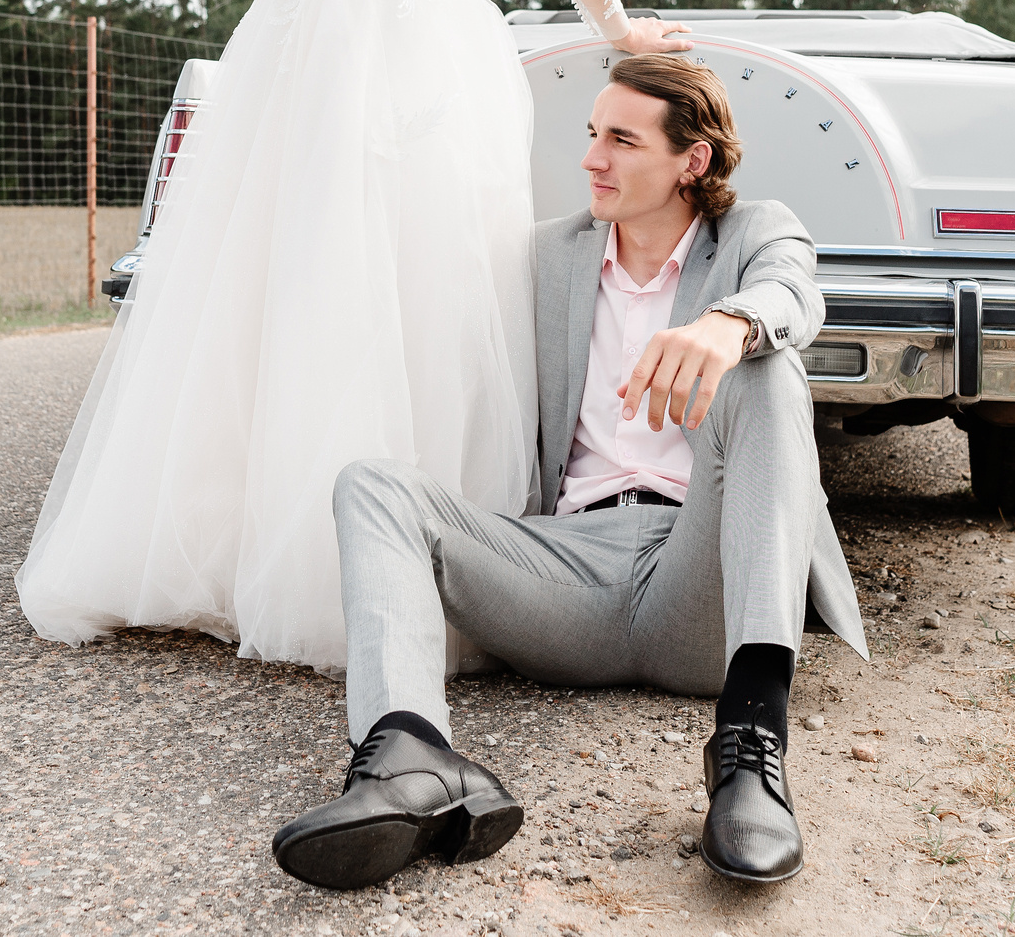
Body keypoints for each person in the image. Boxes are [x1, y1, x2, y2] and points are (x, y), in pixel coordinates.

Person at [15, 0, 690, 672]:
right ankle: (226, 547)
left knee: (386, 278)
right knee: (258, 271)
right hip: (299, 36)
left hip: (409, 46)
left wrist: (618, 30)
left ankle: (373, 557)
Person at [270, 55, 868, 891]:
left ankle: (749, 750)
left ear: (691, 161)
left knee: (771, 371)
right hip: (562, 572)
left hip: (698, 572)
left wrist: (729, 326)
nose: (591, 157)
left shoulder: (758, 230)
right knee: (373, 484)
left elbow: (793, 293)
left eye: (622, 139)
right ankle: (406, 758)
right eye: (593, 134)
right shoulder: (551, 253)